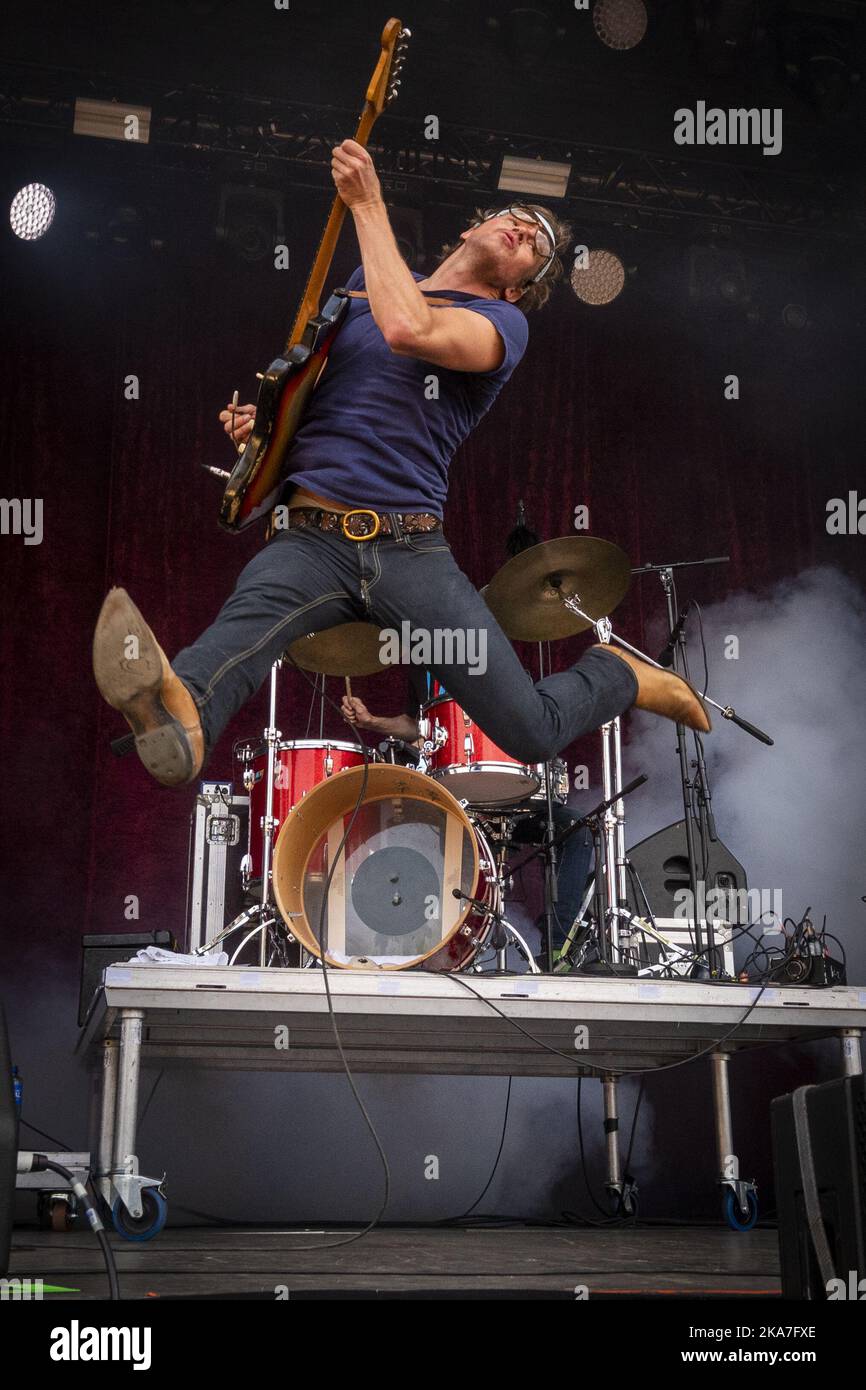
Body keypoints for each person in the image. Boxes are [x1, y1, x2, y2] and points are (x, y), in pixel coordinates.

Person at [93, 137, 710, 791]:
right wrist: (267, 435)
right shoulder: (361, 292)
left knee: (530, 731)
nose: (525, 228)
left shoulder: (499, 323)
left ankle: (617, 672)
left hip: (412, 554)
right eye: (517, 217)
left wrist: (367, 202)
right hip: (310, 540)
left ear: (519, 285)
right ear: (473, 226)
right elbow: (326, 404)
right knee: (229, 649)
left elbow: (410, 330)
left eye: (537, 244)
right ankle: (180, 717)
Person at [341, 676, 594, 965]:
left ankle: (558, 948)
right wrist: (371, 721)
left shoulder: (504, 664)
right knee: (422, 835)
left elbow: (535, 726)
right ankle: (450, 951)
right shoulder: (425, 671)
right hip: (457, 798)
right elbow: (418, 729)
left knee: (575, 830)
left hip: (513, 792)